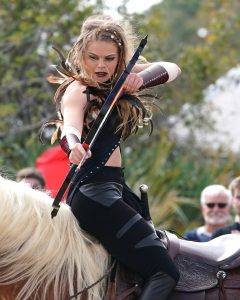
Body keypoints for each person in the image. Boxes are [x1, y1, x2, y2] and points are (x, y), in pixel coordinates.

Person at [47, 14, 181, 299]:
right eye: (93, 57)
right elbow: (69, 126)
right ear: (82, 54)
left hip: (116, 191)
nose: (100, 65)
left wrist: (138, 78)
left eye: (109, 59)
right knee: (165, 272)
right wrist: (73, 147)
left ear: (120, 57)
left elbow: (173, 68)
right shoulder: (78, 89)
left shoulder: (118, 83)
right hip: (95, 197)